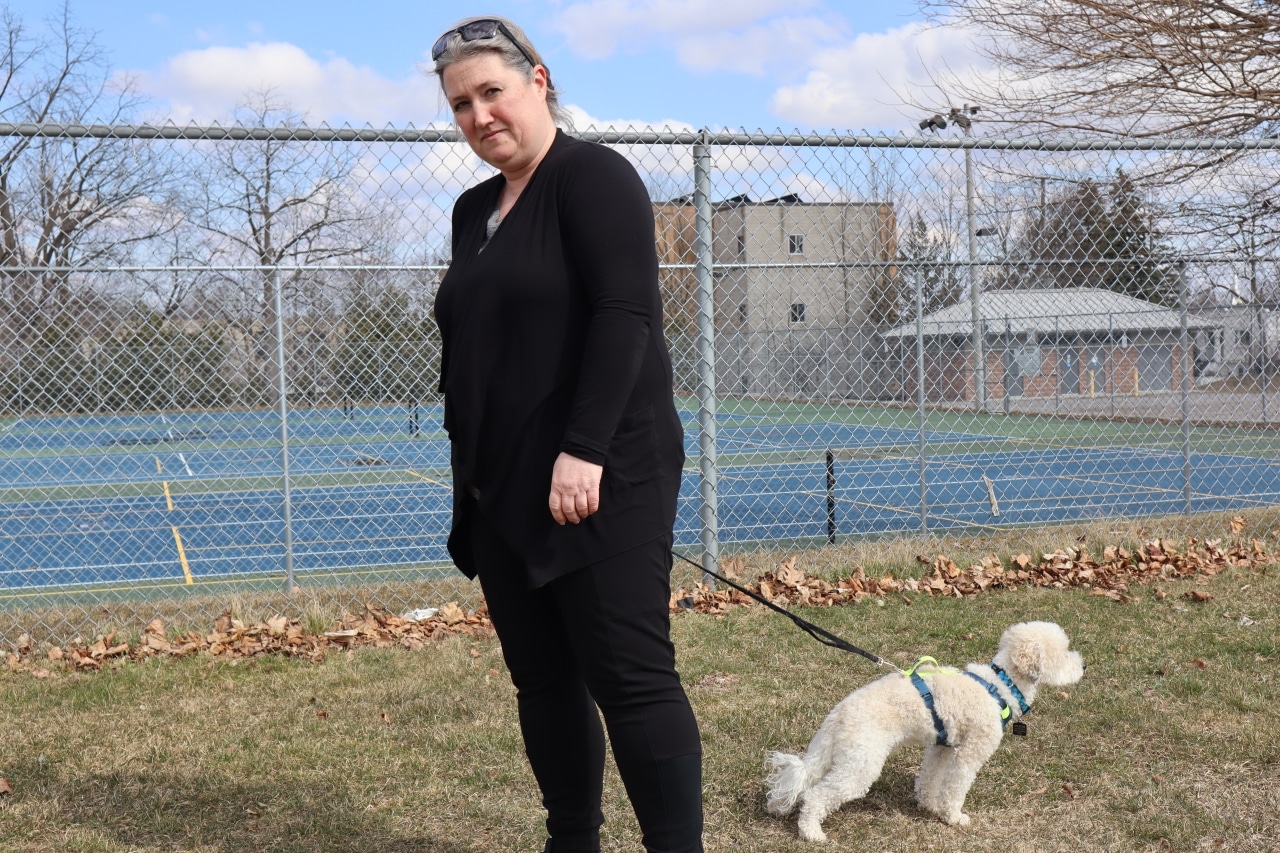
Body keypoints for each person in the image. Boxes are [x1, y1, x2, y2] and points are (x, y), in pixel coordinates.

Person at [430, 16, 703, 853]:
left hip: (601, 474)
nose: (479, 116)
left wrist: (582, 449)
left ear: (537, 80)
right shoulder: (473, 208)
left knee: (630, 677)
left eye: (492, 92)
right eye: (461, 104)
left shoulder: (593, 178)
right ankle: (571, 840)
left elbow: (626, 318)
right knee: (543, 681)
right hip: (502, 487)